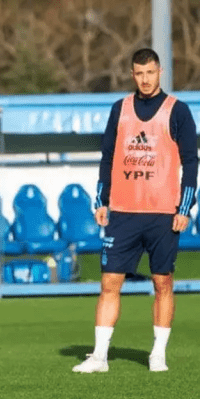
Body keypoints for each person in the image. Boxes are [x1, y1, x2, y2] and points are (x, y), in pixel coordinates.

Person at [73, 48, 197, 373]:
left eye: (150, 73)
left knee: (162, 283)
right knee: (110, 282)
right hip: (123, 213)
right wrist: (101, 201)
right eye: (139, 74)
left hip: (162, 214)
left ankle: (157, 354)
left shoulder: (178, 111)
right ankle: (99, 357)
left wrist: (185, 207)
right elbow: (107, 158)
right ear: (132, 74)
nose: (145, 79)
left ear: (159, 73)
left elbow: (191, 162)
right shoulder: (120, 109)